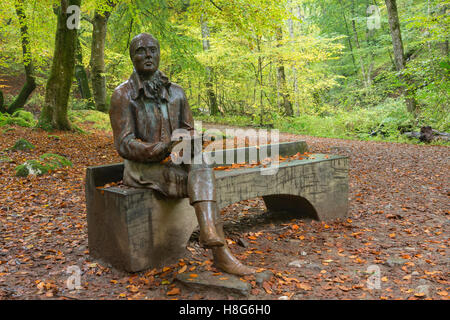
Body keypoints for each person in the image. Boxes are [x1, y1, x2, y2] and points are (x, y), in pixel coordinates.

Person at [109, 33, 254, 276]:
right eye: (141, 51)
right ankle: (220, 252)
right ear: (132, 57)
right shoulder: (123, 95)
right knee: (202, 174)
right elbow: (124, 144)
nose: (148, 55)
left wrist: (193, 142)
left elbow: (187, 131)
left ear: (159, 54)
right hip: (142, 170)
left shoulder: (176, 92)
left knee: (201, 162)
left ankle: (209, 233)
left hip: (176, 163)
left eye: (153, 50)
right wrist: (161, 148)